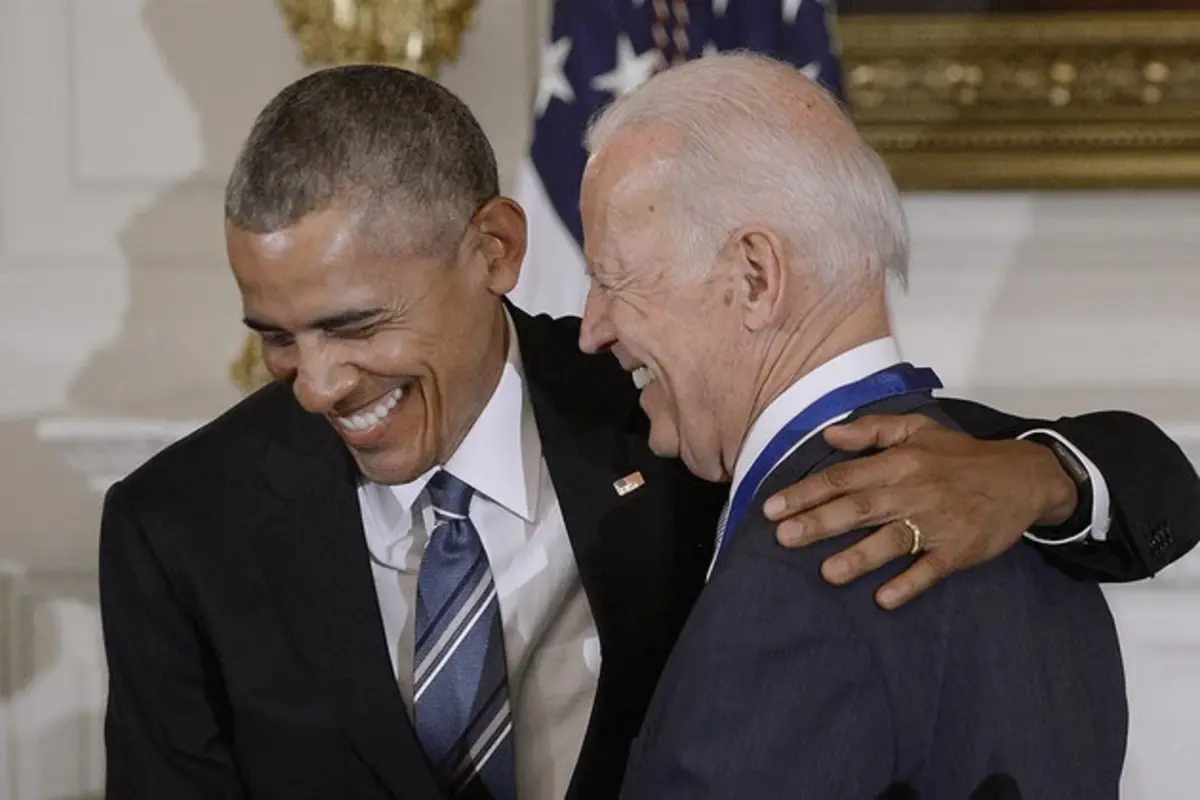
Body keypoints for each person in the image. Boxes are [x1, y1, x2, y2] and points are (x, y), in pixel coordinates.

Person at [98, 65, 1198, 800]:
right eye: (276, 337)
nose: (315, 383)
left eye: (355, 325)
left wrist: (1046, 473)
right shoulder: (177, 525)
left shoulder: (668, 410)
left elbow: (1118, 475)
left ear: (493, 250)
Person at [576, 53, 1133, 798]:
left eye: (615, 281)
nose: (591, 329)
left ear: (755, 277)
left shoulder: (797, 583)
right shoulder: (1039, 532)